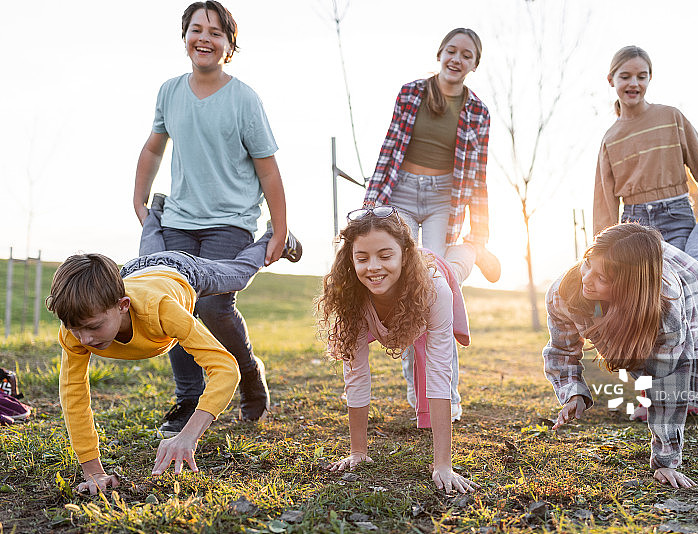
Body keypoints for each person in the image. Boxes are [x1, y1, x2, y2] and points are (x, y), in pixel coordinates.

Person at [132, 1, 298, 434]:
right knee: (173, 302)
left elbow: (268, 168)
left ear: (229, 45)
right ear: (185, 37)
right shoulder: (169, 91)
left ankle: (247, 372)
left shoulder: (244, 99)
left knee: (212, 304)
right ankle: (188, 399)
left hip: (232, 221)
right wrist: (139, 197)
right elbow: (153, 147)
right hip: (180, 220)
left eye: (216, 32)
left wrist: (279, 228)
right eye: (196, 29)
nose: (204, 37)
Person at [46, 204, 282, 495]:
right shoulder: (76, 329)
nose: (83, 340)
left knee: (239, 274)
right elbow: (74, 396)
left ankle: (273, 236)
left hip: (181, 271)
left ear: (123, 306)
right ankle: (155, 211)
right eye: (74, 329)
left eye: (93, 327)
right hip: (136, 270)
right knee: (149, 252)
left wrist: (188, 435)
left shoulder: (162, 310)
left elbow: (224, 367)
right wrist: (93, 471)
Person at [362, 28, 500, 420]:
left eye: (467, 55)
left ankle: (444, 395)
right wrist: (371, 207)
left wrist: (481, 233)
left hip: (445, 200)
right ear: (440, 54)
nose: (457, 59)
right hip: (400, 192)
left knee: (433, 288)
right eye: (452, 51)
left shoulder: (479, 113)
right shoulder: (411, 93)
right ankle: (417, 386)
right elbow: (388, 151)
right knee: (404, 282)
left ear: (474, 64)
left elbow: (478, 175)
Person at [543, 212, 698, 489]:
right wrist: (574, 392)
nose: (587, 279)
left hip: (689, 278)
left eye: (601, 277)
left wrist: (666, 461)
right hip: (644, 259)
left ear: (627, 287)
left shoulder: (668, 315)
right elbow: (560, 349)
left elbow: (667, 383)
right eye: (587, 264)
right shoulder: (564, 291)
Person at [317, 206, 478, 494]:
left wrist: (443, 464)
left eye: (385, 255)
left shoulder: (434, 289)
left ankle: (472, 248)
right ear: (350, 259)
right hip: (398, 313)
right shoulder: (351, 296)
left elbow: (439, 369)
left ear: (404, 254)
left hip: (433, 279)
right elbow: (356, 375)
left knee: (457, 269)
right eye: (362, 258)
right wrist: (358, 451)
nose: (373, 267)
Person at [594, 45, 698, 251]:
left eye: (641, 76)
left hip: (676, 218)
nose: (634, 83)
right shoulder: (610, 139)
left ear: (650, 78)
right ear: (611, 80)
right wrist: (603, 247)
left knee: (684, 280)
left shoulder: (670, 117)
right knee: (647, 284)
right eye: (625, 77)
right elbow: (604, 199)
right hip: (634, 225)